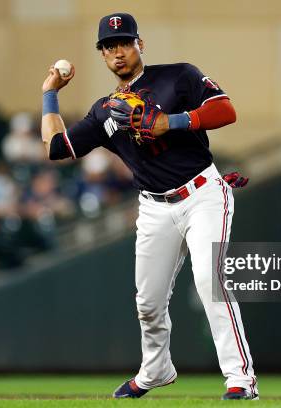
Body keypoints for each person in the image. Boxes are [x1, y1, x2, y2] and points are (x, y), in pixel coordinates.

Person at [40, 13, 256, 400]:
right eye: (109, 46)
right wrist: (50, 94)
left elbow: (225, 110)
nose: (117, 51)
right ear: (102, 54)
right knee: (148, 302)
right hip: (154, 207)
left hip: (203, 193)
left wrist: (171, 121)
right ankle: (156, 370)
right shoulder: (104, 110)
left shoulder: (178, 76)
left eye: (123, 42)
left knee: (210, 280)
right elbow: (56, 148)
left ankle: (240, 379)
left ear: (140, 44)